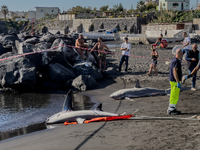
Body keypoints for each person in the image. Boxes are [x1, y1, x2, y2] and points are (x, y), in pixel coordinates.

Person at [167, 49, 183, 115]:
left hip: (174, 80)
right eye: (182, 53)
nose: (182, 55)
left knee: (175, 95)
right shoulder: (176, 61)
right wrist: (178, 81)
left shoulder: (175, 60)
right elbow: (175, 71)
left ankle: (173, 108)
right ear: (179, 54)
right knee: (174, 95)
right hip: (174, 81)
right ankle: (171, 109)